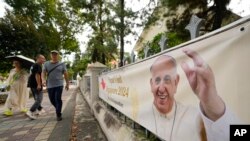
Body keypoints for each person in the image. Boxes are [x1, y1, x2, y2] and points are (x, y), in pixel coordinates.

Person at [139, 48, 241, 141]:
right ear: (151, 84)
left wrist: (211, 102)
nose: (161, 89)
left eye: (167, 79)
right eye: (157, 80)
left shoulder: (194, 116)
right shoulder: (142, 113)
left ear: (176, 82)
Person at [42, 50, 69, 121]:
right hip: (50, 85)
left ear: (58, 55)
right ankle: (58, 108)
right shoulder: (46, 64)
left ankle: (58, 114)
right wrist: (43, 80)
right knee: (52, 100)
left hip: (59, 84)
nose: (54, 56)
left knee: (57, 98)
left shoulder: (62, 64)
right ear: (51, 55)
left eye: (55, 54)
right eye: (53, 54)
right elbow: (43, 73)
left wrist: (67, 83)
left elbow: (65, 73)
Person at [26, 54, 46, 119]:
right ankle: (31, 111)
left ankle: (39, 109)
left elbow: (31, 75)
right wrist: (39, 84)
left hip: (32, 84)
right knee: (39, 99)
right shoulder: (38, 65)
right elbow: (37, 75)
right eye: (43, 58)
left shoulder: (33, 65)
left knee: (36, 98)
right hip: (35, 84)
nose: (44, 60)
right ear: (38, 58)